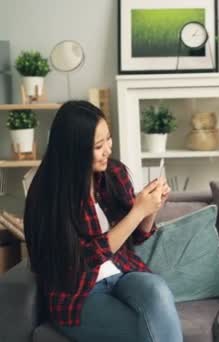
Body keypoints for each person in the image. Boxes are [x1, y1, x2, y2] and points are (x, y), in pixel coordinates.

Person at [24, 101, 183, 342]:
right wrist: (137, 212)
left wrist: (151, 208)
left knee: (157, 290)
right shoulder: (49, 195)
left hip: (123, 272)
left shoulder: (113, 173)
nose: (108, 149)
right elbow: (84, 259)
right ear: (74, 149)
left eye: (108, 139)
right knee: (149, 331)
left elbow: (136, 237)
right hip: (78, 293)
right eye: (99, 146)